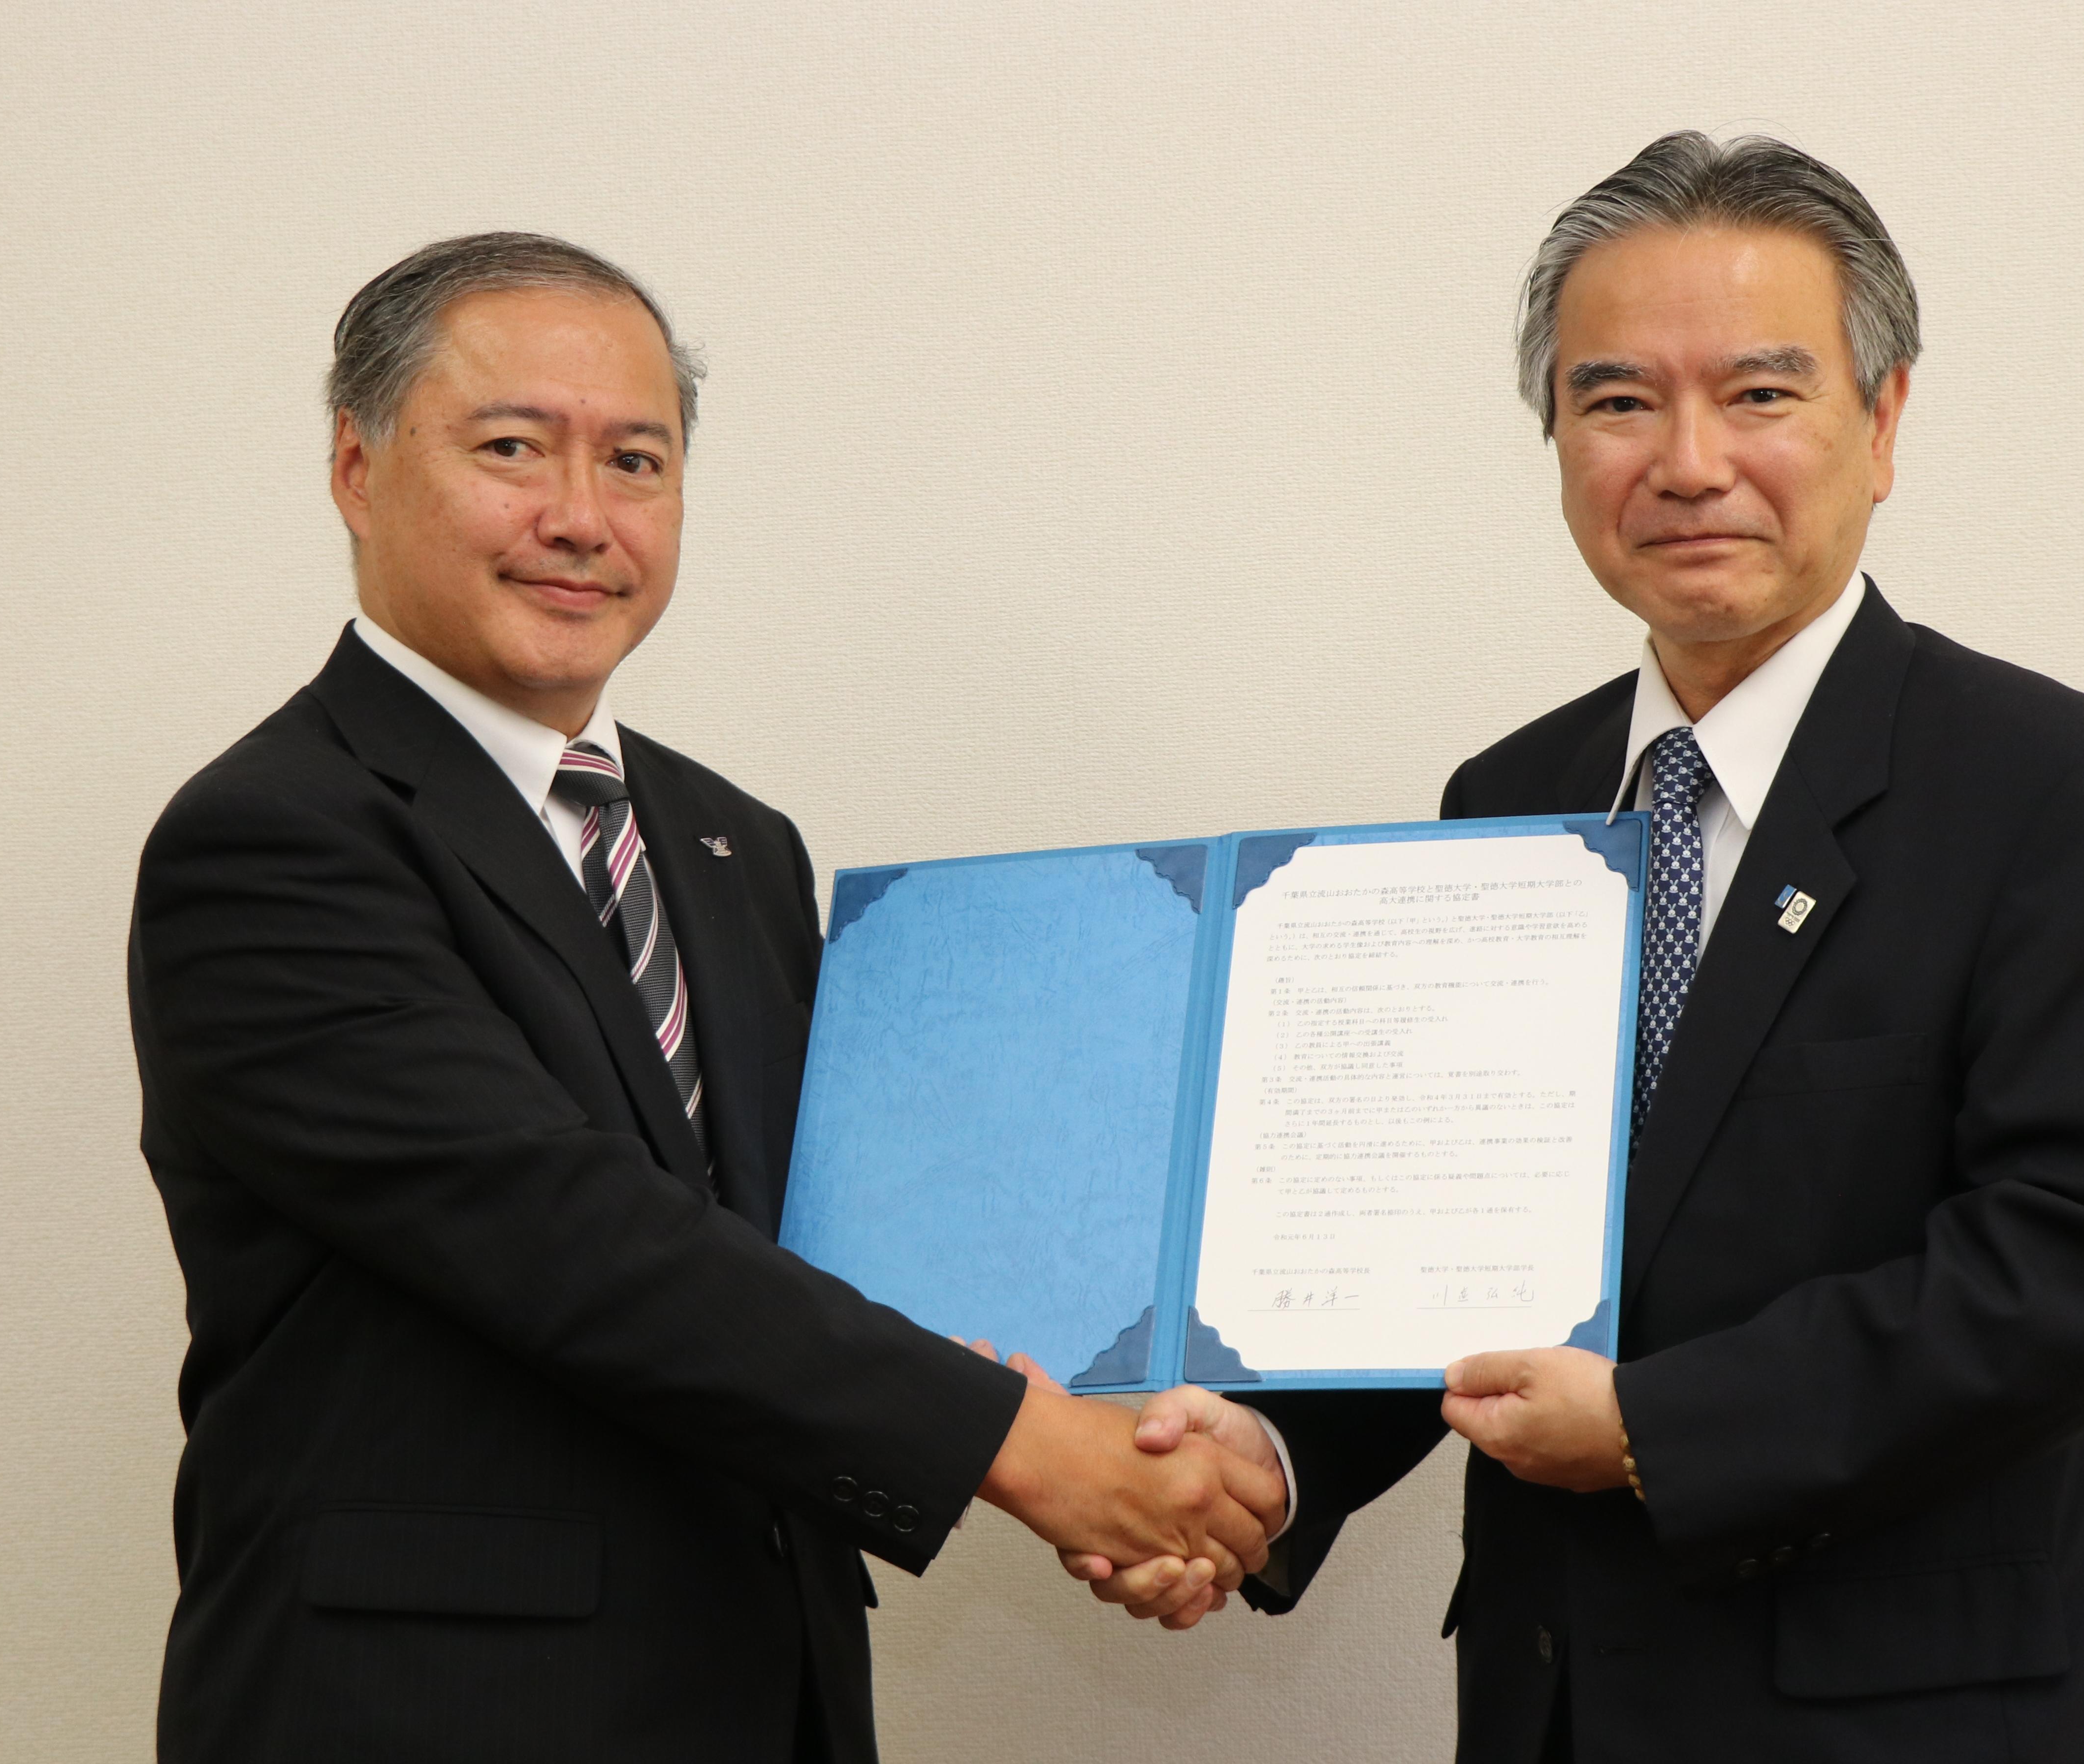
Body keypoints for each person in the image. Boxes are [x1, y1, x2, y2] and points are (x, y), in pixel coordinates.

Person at [1070, 133, 2084, 1762]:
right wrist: (1266, 1461)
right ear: (1553, 437)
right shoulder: (1508, 798)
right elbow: (1447, 1249)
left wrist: (1653, 1429)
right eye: (1616, 401)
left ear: (1880, 424)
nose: (1685, 462)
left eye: (1759, 394)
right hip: (1555, 1705)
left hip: (1903, 1717)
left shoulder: (2057, 793)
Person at [129, 232, 1282, 1764]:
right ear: (355, 468)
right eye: (511, 448)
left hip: (761, 1684)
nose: (580, 518)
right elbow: (570, 1237)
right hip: (433, 1708)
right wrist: (1030, 1454)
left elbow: (837, 1240)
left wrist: (1164, 1430)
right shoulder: (275, 838)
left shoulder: (729, 841)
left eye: (637, 461)